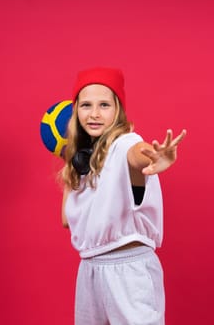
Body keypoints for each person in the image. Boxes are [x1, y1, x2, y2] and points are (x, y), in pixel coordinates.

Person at [60, 67, 186, 325]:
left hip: (128, 271)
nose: (94, 114)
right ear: (76, 110)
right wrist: (69, 160)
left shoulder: (125, 144)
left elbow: (138, 153)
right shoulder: (82, 162)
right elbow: (66, 219)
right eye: (86, 105)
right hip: (90, 271)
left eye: (104, 105)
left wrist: (153, 154)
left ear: (118, 110)